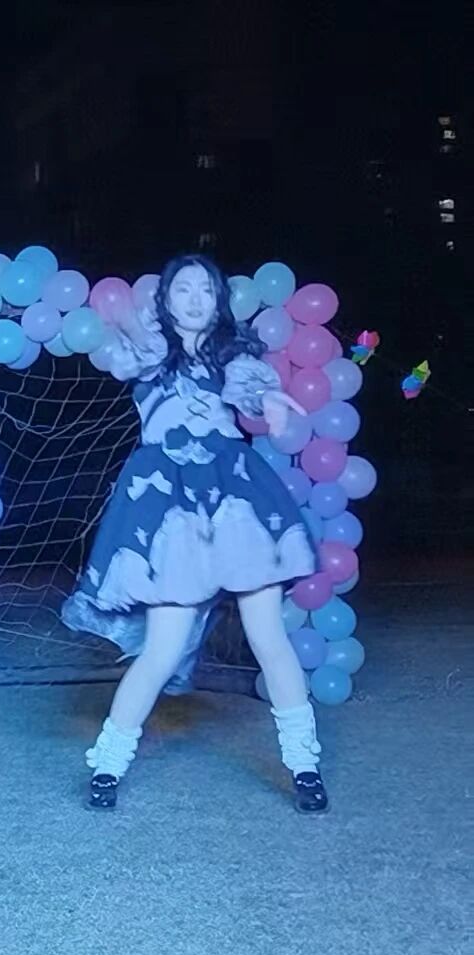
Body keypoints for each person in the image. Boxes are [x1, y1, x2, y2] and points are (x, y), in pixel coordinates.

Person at [61, 253, 327, 812]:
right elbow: (126, 352)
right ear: (165, 297)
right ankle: (107, 765)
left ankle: (305, 765)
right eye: (183, 289)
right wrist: (127, 319)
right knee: (162, 649)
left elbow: (251, 393)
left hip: (235, 497)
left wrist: (270, 401)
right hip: (167, 504)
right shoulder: (148, 349)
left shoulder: (233, 353)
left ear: (218, 299)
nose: (195, 299)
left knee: (268, 637)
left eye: (206, 289)